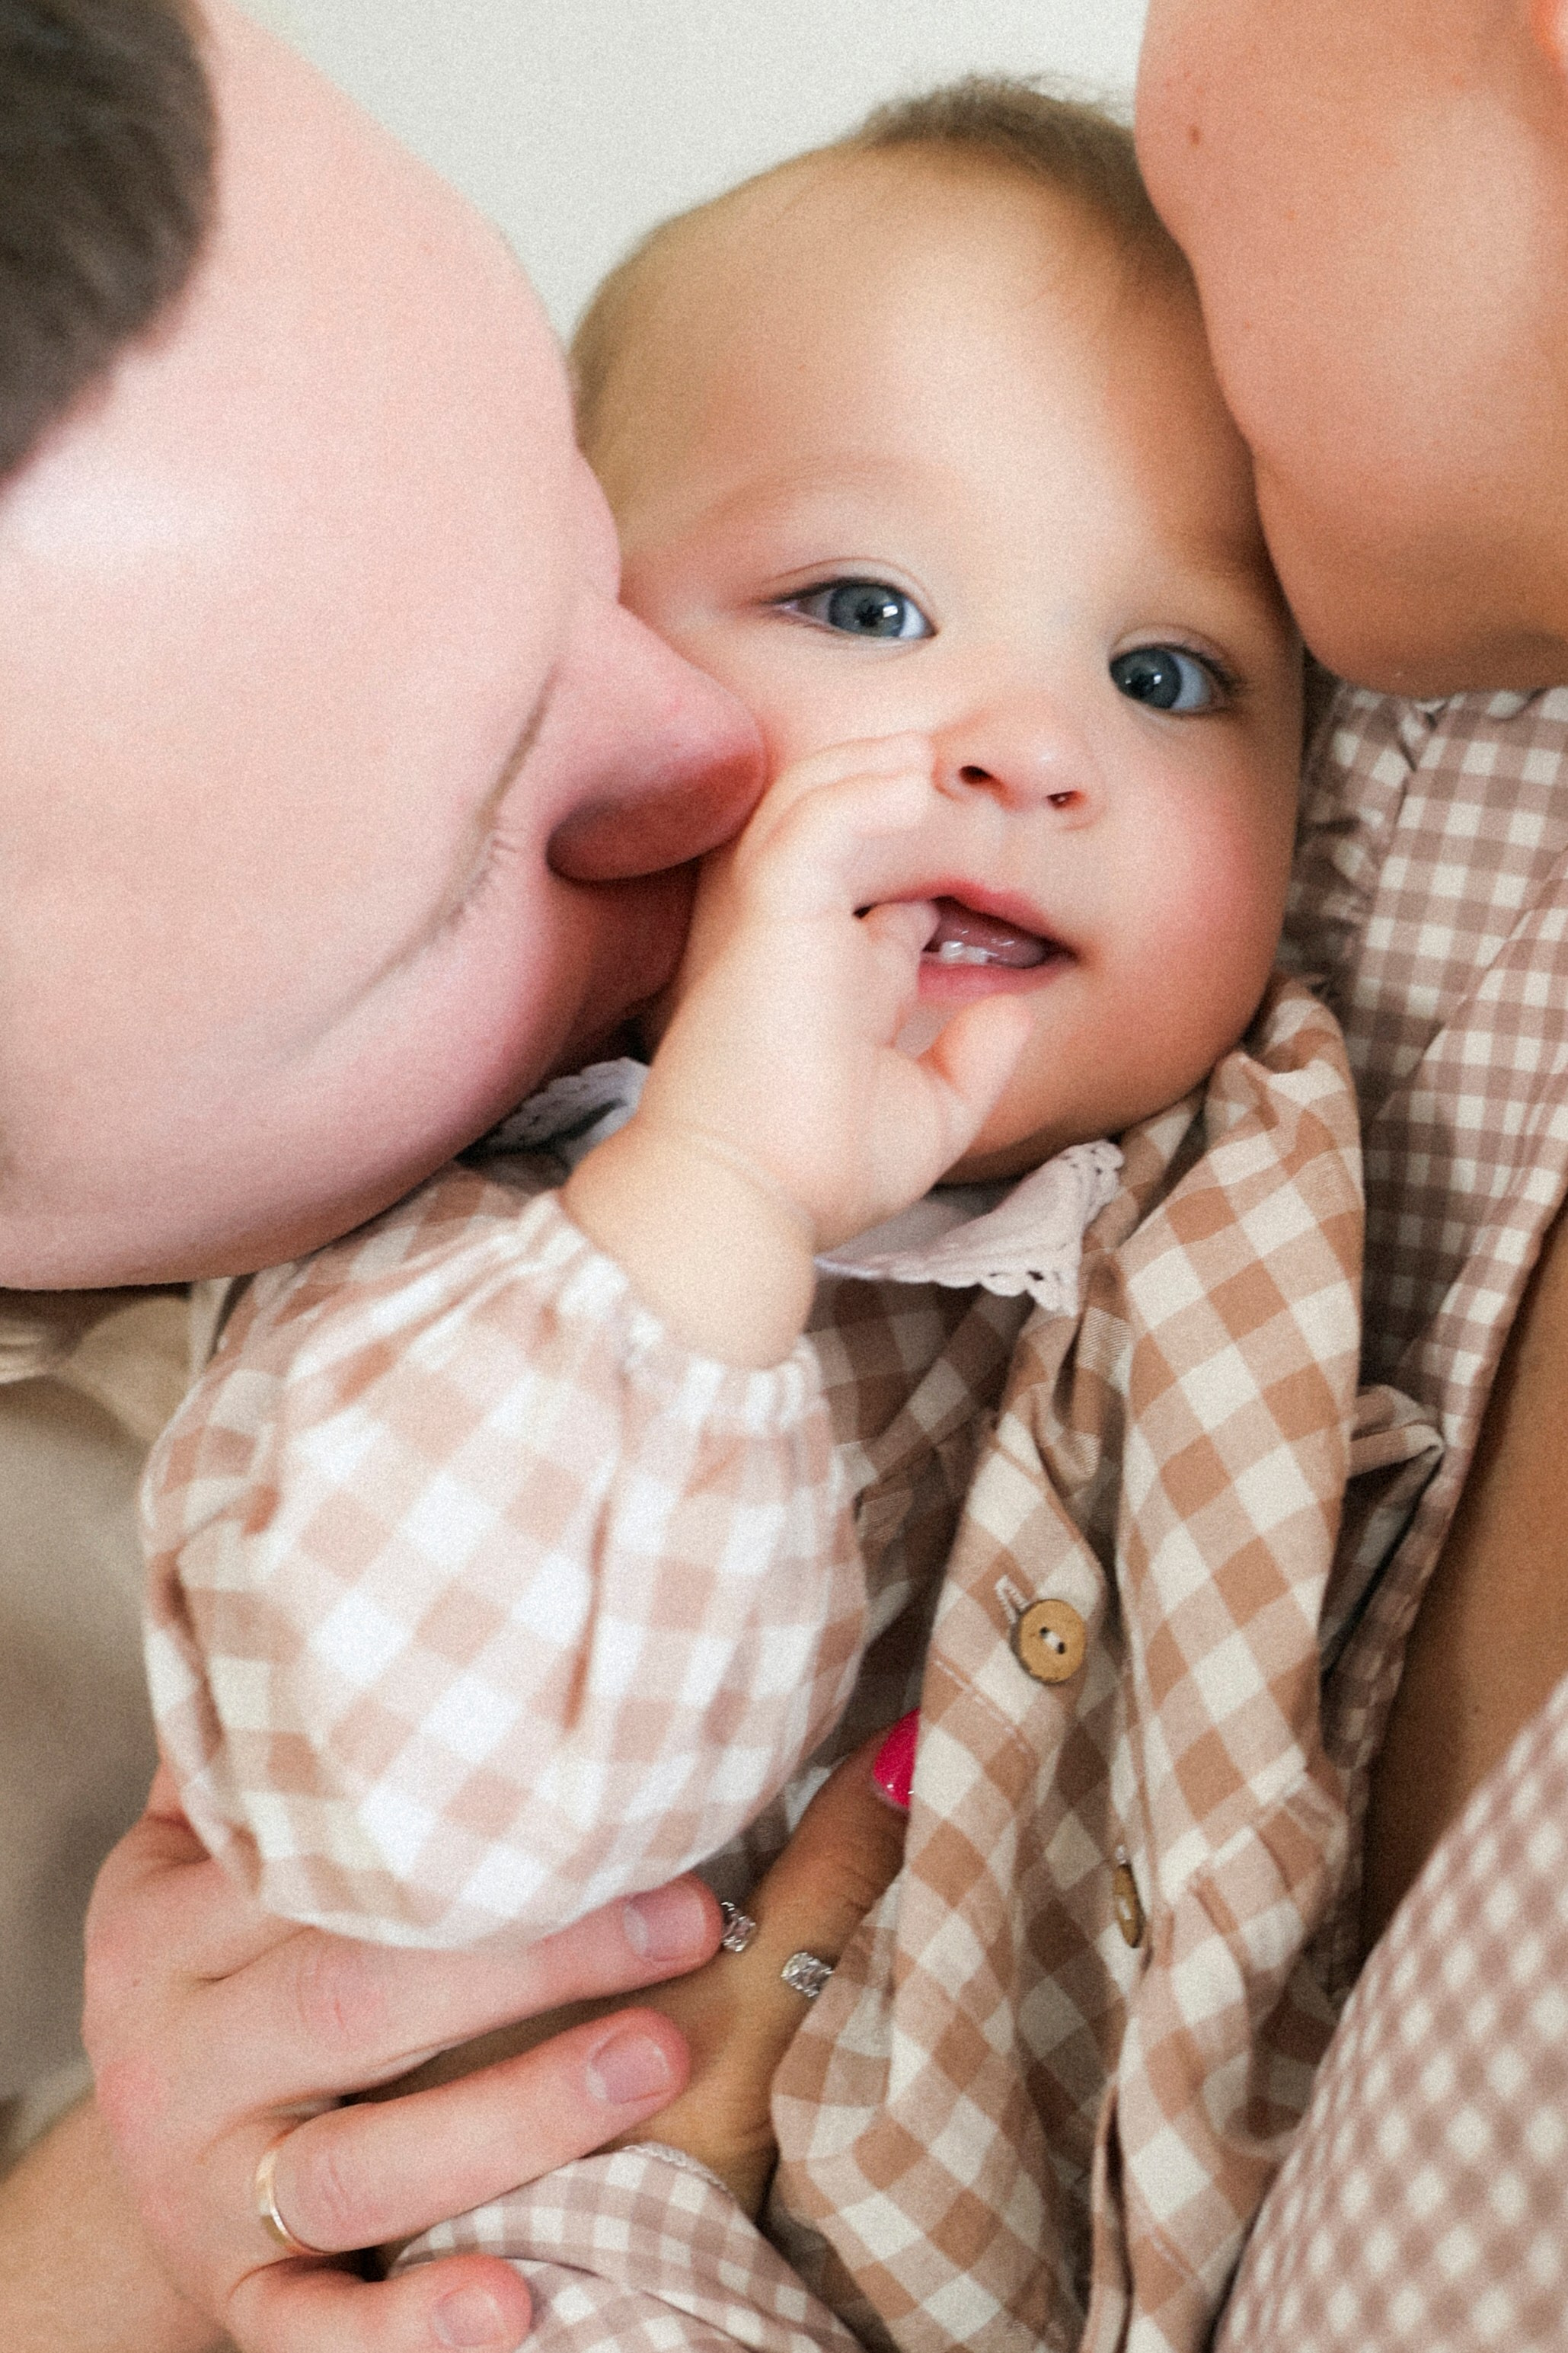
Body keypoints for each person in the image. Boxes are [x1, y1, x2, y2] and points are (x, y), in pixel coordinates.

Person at [140, 84, 1426, 2353]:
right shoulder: (472, 1253)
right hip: (575, 2240)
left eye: (1165, 676)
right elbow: (406, 1796)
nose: (1029, 745)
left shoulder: (1251, 1171)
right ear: (584, 689)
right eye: (865, 603)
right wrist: (719, 1185)